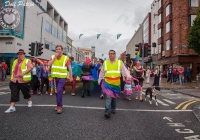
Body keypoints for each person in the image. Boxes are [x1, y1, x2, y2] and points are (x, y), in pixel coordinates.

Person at [98, 50, 130, 118]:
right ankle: (107, 111)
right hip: (107, 83)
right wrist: (99, 79)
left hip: (116, 83)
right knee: (108, 97)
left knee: (114, 96)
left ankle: (113, 108)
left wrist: (128, 75)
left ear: (115, 55)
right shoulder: (105, 63)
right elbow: (102, 72)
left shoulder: (119, 62)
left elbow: (125, 70)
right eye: (109, 54)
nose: (110, 55)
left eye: (112, 54)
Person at [4, 49, 33, 113]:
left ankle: (29, 100)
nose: (19, 55)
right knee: (14, 94)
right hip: (15, 80)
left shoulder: (27, 61)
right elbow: (13, 70)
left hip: (23, 80)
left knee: (26, 93)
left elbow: (30, 67)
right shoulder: (15, 61)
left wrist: (24, 73)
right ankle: (12, 107)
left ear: (24, 54)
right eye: (18, 54)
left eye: (21, 54)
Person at [48, 45, 73, 114]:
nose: (58, 50)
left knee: (59, 90)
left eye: (59, 49)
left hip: (62, 78)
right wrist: (54, 58)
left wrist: (71, 77)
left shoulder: (66, 58)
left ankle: (59, 106)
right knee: (56, 92)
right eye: (56, 49)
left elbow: (70, 68)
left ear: (62, 50)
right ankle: (58, 104)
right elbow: (49, 64)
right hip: (55, 77)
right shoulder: (52, 57)